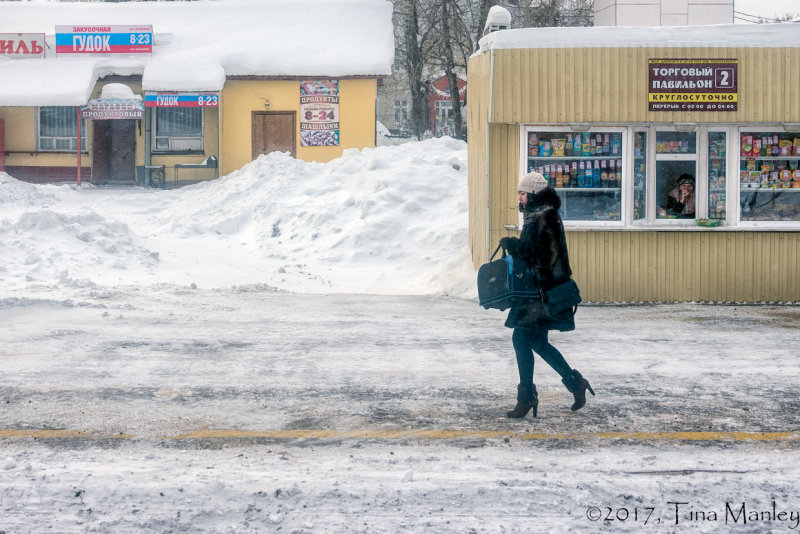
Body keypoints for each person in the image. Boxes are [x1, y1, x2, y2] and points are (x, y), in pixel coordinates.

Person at [498, 171, 595, 419]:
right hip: (535, 290)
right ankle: (575, 383)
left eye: (522, 193)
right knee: (537, 342)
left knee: (522, 340)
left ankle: (527, 397)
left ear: (533, 194)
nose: (519, 198)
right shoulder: (536, 216)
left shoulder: (548, 217)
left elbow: (544, 256)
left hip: (543, 292)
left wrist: (516, 246)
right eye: (518, 193)